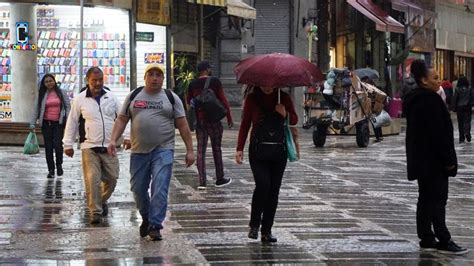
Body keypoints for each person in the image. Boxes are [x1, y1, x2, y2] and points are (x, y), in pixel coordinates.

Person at [108, 64, 195, 241]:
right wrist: (112, 140)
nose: (155, 78)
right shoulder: (134, 96)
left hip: (163, 149)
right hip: (139, 151)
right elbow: (122, 120)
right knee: (138, 189)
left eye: (159, 75)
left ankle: (155, 225)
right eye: (151, 75)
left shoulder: (171, 98)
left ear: (163, 79)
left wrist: (190, 150)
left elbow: (183, 125)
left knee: (160, 187)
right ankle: (146, 217)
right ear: (145, 77)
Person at [403, 59, 468, 255]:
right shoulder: (431, 102)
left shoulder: (415, 101)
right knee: (438, 200)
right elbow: (440, 136)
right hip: (434, 162)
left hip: (421, 161)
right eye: (435, 78)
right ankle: (443, 238)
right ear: (423, 81)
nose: (439, 81)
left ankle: (426, 236)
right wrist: (449, 161)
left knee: (425, 199)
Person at [63, 67, 126, 225]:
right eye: (94, 80)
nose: (97, 83)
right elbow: (72, 122)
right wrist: (67, 144)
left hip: (110, 146)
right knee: (92, 179)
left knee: (112, 179)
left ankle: (100, 200)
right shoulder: (80, 99)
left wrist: (128, 137)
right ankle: (95, 212)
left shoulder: (111, 97)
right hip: (89, 146)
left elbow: (123, 117)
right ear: (87, 81)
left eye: (100, 80)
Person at [235, 86, 299, 243]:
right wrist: (239, 148)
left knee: (274, 190)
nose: (267, 86)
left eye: (270, 83)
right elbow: (245, 123)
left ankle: (267, 230)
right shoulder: (252, 99)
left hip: (278, 150)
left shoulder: (283, 97)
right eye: (263, 83)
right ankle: (254, 224)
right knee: (263, 185)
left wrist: (285, 114)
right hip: (258, 150)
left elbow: (295, 120)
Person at [186, 61, 233, 189]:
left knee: (201, 151)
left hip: (201, 122)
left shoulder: (192, 84)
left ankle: (202, 182)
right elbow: (223, 99)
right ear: (207, 70)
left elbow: (189, 102)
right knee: (216, 149)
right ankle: (220, 178)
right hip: (214, 121)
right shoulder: (215, 82)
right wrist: (229, 117)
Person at [31, 74, 70, 179]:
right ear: (44, 84)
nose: (49, 83)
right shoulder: (42, 94)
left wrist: (69, 121)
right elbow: (36, 109)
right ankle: (51, 170)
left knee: (58, 145)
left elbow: (67, 106)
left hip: (58, 123)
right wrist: (33, 123)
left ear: (54, 81)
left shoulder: (61, 92)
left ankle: (59, 165)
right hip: (46, 124)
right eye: (46, 82)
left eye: (50, 81)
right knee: (48, 147)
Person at [452, 76, 473, 143]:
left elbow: (455, 98)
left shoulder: (457, 89)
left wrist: (453, 108)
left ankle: (461, 138)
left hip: (459, 107)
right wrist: (472, 105)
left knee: (460, 123)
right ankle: (467, 133)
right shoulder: (469, 88)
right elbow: (472, 97)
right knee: (467, 121)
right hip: (467, 107)